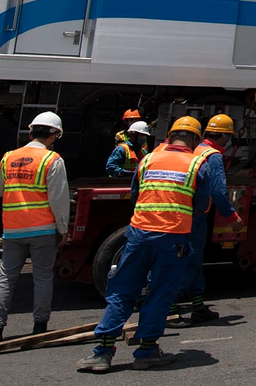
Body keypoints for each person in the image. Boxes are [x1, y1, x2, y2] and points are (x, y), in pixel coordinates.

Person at [77, 117, 236, 372]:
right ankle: (147, 351)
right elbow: (201, 206)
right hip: (173, 238)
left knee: (122, 290)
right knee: (161, 292)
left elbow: (135, 195)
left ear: (170, 136)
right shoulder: (198, 164)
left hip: (138, 234)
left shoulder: (148, 159)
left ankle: (102, 353)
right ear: (195, 140)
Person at [0, 111, 72, 343]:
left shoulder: (8, 157)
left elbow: (2, 191)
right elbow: (58, 199)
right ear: (55, 136)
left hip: (12, 229)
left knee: (5, 278)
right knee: (42, 278)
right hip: (42, 229)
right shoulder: (53, 160)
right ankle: (39, 327)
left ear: (31, 132)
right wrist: (63, 229)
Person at [171, 112, 238, 326]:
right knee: (189, 261)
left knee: (194, 262)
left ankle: (198, 306)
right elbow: (218, 191)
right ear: (225, 137)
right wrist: (232, 215)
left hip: (185, 211)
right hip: (196, 216)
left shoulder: (197, 149)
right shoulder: (213, 156)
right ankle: (170, 309)